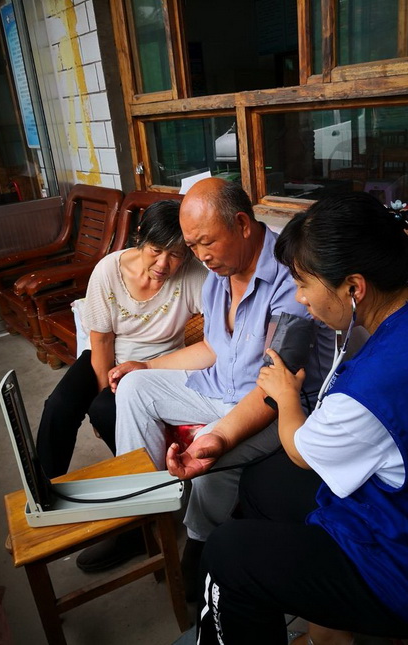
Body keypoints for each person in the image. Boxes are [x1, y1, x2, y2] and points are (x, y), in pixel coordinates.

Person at [184, 191, 408, 644]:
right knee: (262, 483)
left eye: (304, 283)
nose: (300, 299)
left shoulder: (373, 389)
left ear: (354, 288)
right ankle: (328, 632)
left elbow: (301, 451)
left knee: (228, 554)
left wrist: (286, 397)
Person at [99, 178, 334, 592]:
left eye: (206, 242)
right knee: (135, 387)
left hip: (271, 404)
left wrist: (221, 434)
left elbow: (276, 385)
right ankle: (142, 514)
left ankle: (200, 542)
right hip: (217, 387)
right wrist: (146, 365)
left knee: (210, 445)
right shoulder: (218, 274)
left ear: (242, 224)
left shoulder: (291, 279)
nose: (201, 256)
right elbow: (212, 347)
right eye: (192, 247)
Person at [36, 199, 207, 479]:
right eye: (156, 250)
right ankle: (43, 489)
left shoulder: (193, 274)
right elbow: (102, 342)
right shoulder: (108, 271)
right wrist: (104, 389)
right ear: (140, 237)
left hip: (160, 364)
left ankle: (146, 479)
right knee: (59, 406)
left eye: (175, 254)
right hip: (110, 354)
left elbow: (219, 328)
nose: (163, 264)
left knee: (105, 411)